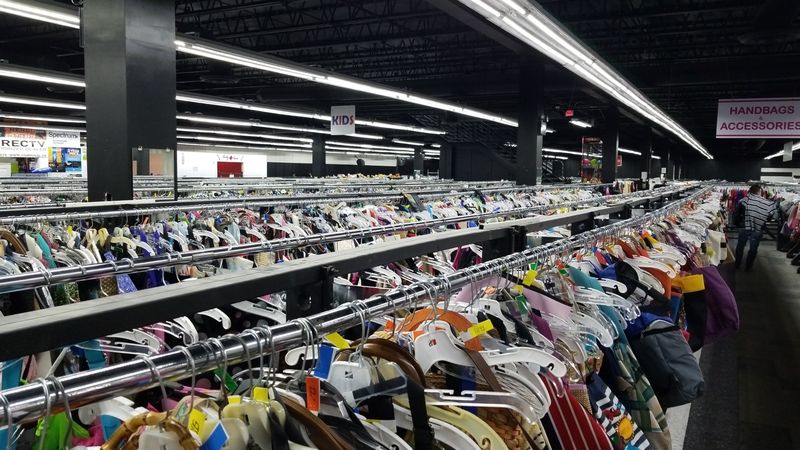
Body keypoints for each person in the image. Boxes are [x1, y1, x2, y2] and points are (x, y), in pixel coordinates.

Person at [735, 184, 778, 271]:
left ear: (750, 191)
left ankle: (737, 264)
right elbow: (771, 215)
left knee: (740, 246)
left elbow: (737, 215)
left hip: (744, 227)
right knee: (753, 249)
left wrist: (737, 225)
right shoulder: (766, 203)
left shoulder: (743, 201)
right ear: (759, 192)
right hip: (758, 228)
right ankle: (748, 266)